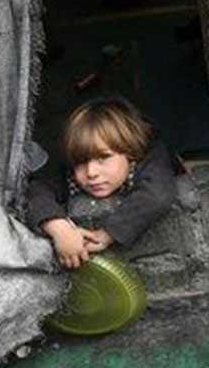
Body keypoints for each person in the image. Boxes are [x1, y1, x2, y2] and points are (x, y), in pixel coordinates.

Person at [25, 97, 177, 268]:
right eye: (80, 162)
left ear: (130, 152)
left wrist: (107, 234)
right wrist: (60, 229)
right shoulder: (71, 177)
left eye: (103, 157)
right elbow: (35, 191)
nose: (91, 173)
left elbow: (157, 195)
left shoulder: (150, 161)